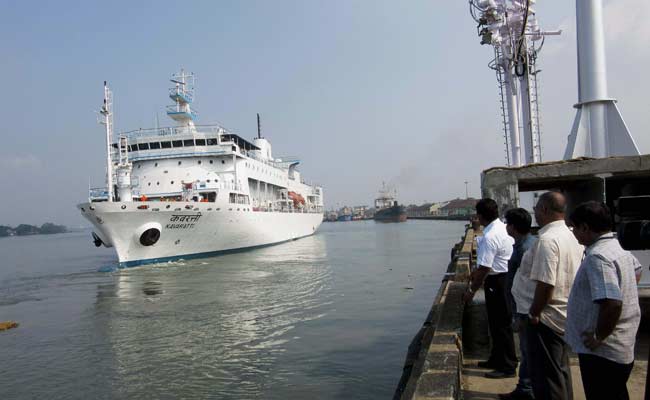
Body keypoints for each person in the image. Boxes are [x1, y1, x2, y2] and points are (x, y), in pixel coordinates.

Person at [566, 201, 642, 400]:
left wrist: (598, 336)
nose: (573, 232)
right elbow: (637, 270)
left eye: (574, 227)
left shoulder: (598, 257)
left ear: (585, 227)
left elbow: (612, 303)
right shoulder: (616, 247)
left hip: (603, 353)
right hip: (620, 346)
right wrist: (626, 288)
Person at [526, 191, 583, 400]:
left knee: (547, 378)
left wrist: (534, 312)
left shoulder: (547, 240)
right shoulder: (571, 235)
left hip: (547, 317)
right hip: (566, 312)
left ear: (544, 210)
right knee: (560, 370)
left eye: (536, 210)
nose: (535, 215)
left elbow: (546, 284)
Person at [463, 198, 517, 378]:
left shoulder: (489, 236)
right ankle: (496, 358)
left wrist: (471, 291)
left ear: (479, 216)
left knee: (500, 325)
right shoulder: (501, 227)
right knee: (497, 324)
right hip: (504, 278)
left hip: (497, 282)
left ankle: (507, 366)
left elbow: (485, 268)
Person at [500, 208, 537, 400]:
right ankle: (527, 387)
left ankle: (525, 390)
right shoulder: (526, 245)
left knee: (527, 349)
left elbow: (528, 283)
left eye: (507, 223)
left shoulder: (525, 249)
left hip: (524, 309)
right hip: (522, 307)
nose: (505, 226)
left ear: (513, 227)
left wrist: (520, 313)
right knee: (527, 349)